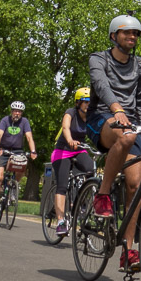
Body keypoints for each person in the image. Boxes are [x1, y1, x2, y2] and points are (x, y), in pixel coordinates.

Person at [87, 13, 141, 272]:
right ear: (114, 35)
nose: (132, 37)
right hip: (102, 118)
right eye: (126, 33)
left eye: (135, 34)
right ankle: (102, 194)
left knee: (136, 186)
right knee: (124, 136)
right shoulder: (98, 59)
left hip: (130, 125)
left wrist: (140, 123)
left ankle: (129, 251)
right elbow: (101, 86)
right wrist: (116, 109)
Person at [50, 87, 95, 236]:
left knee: (91, 170)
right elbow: (65, 127)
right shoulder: (71, 112)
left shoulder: (91, 117)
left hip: (79, 149)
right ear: (78, 103)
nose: (88, 105)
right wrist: (69, 140)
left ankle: (80, 202)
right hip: (62, 151)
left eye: (91, 102)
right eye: (86, 102)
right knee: (62, 185)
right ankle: (61, 222)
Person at [0, 101, 37, 220]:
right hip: (3, 150)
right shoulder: (5, 120)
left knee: (22, 167)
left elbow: (29, 137)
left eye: (19, 111)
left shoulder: (24, 122)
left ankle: (14, 188)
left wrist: (33, 151)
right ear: (11, 111)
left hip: (17, 150)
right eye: (15, 111)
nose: (17, 113)